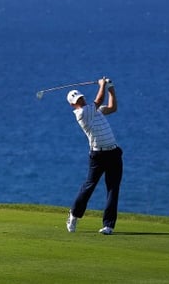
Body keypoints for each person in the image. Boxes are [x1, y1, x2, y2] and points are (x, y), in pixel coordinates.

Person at [65, 77, 123, 235]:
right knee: (89, 186)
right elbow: (98, 99)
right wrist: (102, 85)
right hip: (98, 155)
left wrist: (111, 89)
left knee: (113, 188)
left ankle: (108, 225)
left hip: (114, 153)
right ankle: (74, 214)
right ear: (73, 104)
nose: (81, 100)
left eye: (82, 98)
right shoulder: (82, 114)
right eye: (77, 100)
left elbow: (112, 108)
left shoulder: (94, 110)